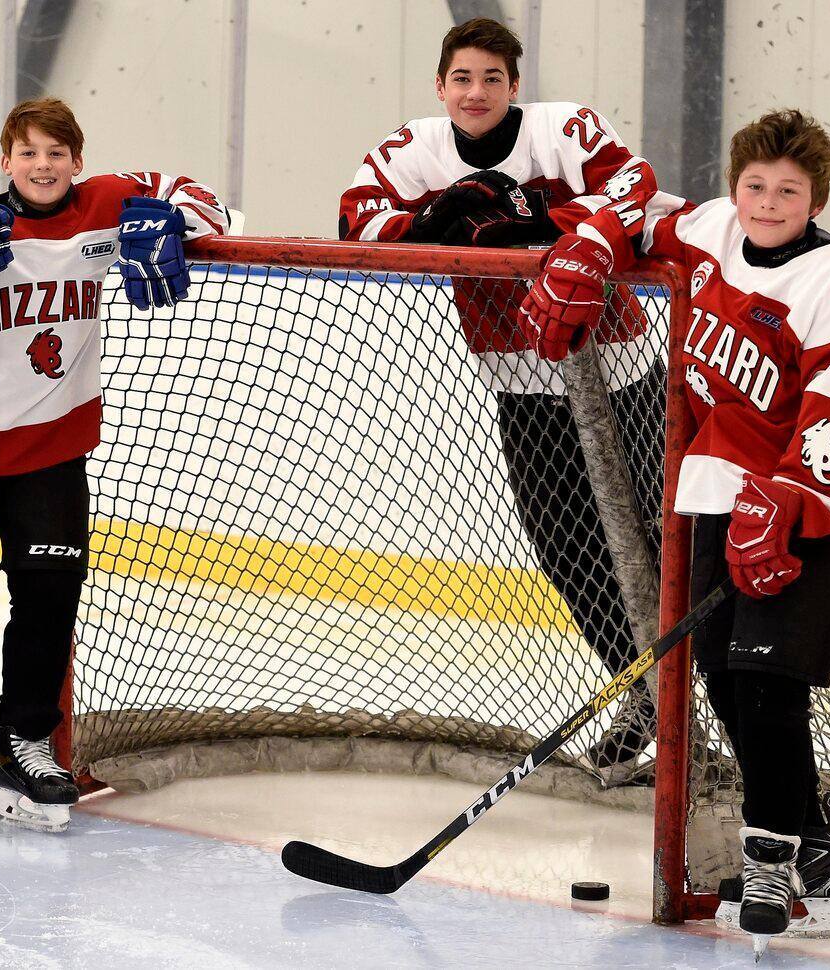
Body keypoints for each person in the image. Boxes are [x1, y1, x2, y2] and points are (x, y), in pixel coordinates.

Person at [526, 108, 830, 948]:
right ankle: (818, 853)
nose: (767, 203)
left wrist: (791, 502)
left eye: (788, 191)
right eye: (755, 185)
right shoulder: (713, 229)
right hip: (711, 499)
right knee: (728, 688)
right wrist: (595, 239)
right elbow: (637, 202)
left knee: (770, 687)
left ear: (817, 198)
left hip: (804, 511)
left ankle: (770, 861)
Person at [0, 96, 230, 830]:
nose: (43, 166)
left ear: (78, 158)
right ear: (5, 161)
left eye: (57, 153)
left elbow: (204, 201)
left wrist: (166, 223)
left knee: (47, 599)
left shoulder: (106, 200)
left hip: (52, 444)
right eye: (28, 153)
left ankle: (30, 742)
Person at [339, 17, 666, 769]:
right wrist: (436, 217)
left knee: (649, 543)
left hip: (619, 370)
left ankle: (692, 698)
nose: (476, 91)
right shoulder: (416, 149)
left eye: (492, 78)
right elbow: (356, 220)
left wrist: (540, 219)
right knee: (566, 549)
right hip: (520, 383)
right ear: (440, 86)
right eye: (462, 78)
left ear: (515, 86)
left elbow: (635, 189)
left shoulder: (563, 128)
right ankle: (646, 691)